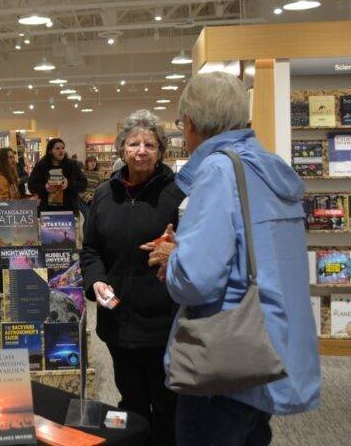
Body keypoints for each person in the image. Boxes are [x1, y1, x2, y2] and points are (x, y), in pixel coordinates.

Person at [145, 72, 320, 445]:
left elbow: (194, 281)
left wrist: (172, 257)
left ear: (190, 123)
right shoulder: (266, 166)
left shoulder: (217, 171)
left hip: (224, 364)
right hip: (268, 349)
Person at [80, 110, 185, 445]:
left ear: (161, 151)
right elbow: (91, 250)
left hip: (163, 324)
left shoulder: (178, 195)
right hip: (118, 323)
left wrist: (177, 249)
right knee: (131, 408)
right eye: (134, 143)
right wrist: (95, 281)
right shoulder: (104, 195)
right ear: (122, 149)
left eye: (150, 144)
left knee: (168, 407)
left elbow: (201, 250)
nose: (142, 150)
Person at [28, 138, 87, 214]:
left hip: (69, 209)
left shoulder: (72, 164)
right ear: (50, 151)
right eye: (57, 148)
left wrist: (68, 184)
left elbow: (83, 184)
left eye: (63, 148)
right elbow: (31, 186)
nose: (61, 151)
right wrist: (45, 188)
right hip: (47, 210)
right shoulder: (41, 165)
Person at [78, 155, 101, 220]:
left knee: (96, 217)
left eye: (94, 161)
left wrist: (95, 196)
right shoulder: (82, 174)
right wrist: (88, 197)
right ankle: (86, 230)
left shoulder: (98, 175)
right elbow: (78, 189)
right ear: (86, 163)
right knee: (88, 216)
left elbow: (99, 189)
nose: (93, 163)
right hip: (82, 200)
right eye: (90, 161)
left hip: (93, 200)